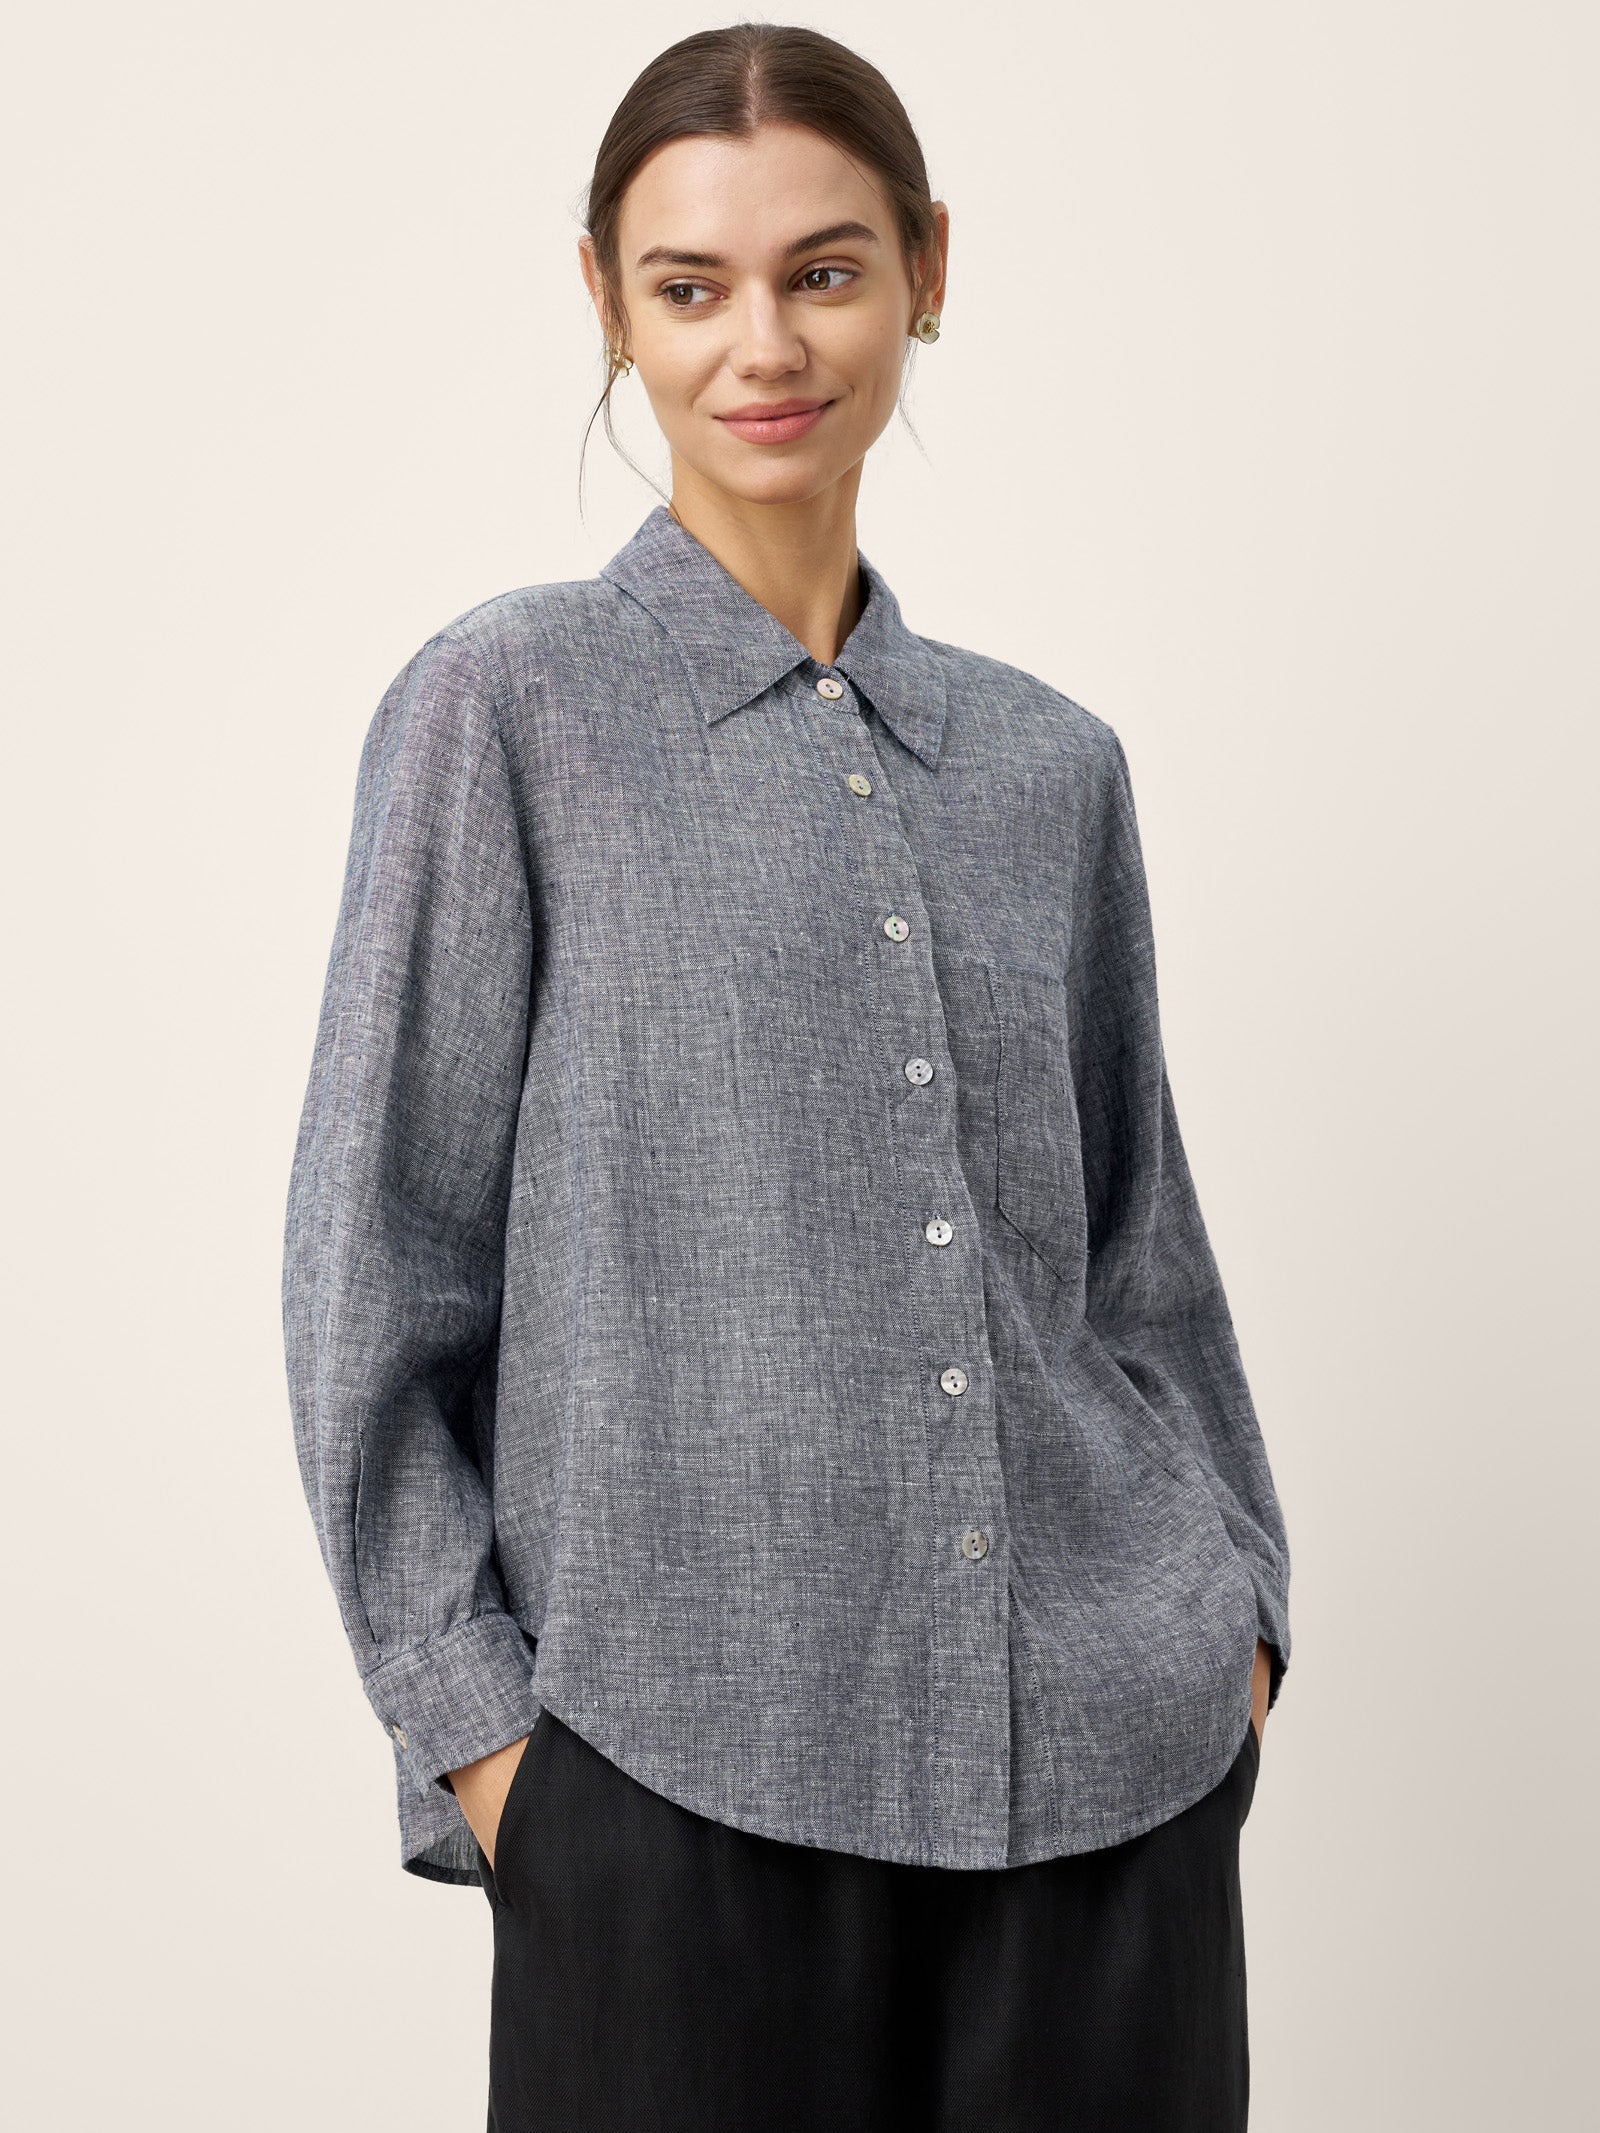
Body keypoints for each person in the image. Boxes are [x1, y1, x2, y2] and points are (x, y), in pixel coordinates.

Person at [282, 22, 1292, 2132]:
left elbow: (1141, 1265)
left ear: (928, 270)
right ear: (607, 301)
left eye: (825, 271)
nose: (764, 343)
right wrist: (497, 1751)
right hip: (667, 1794)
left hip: (1106, 1791)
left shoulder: (1051, 766)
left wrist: (1237, 1629)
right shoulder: (505, 712)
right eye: (692, 284)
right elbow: (376, 1272)